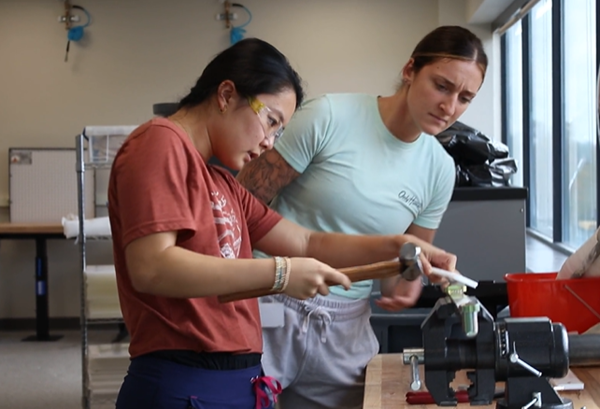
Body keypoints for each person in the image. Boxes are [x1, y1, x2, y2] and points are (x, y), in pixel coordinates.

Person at [107, 38, 457, 409]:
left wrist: (398, 245)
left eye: (279, 132)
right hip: (184, 379)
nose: (268, 143)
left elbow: (307, 244)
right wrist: (281, 274)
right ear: (226, 95)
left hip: (234, 378)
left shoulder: (221, 182)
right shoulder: (161, 142)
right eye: (270, 121)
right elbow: (152, 267)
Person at [237, 25, 488, 409]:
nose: (450, 106)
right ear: (409, 70)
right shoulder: (329, 115)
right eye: (442, 86)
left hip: (344, 326)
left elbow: (402, 264)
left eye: (465, 98)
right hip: (270, 304)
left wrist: (408, 282)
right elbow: (240, 207)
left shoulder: (439, 169)